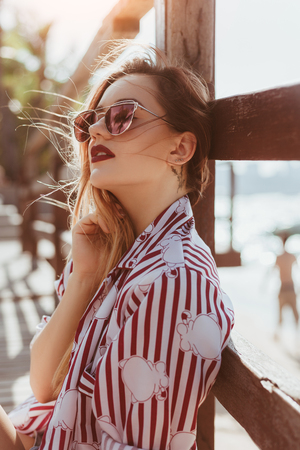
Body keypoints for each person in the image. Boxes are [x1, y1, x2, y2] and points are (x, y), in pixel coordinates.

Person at [0, 44, 234, 450]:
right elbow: (42, 384)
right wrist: (84, 278)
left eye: (122, 117)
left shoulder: (176, 280)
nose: (95, 131)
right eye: (89, 121)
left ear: (179, 149)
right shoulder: (115, 250)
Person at [275, 234, 299, 335]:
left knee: (281, 313)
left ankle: (278, 334)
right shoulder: (292, 256)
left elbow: (271, 272)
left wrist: (264, 286)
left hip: (283, 287)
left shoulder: (279, 257)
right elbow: (298, 270)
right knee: (295, 314)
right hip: (291, 287)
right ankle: (296, 337)